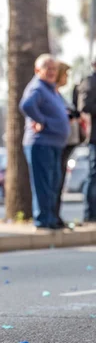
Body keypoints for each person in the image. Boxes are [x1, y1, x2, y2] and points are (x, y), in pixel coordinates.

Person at [19, 54, 70, 230]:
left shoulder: (49, 89)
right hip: (41, 143)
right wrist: (41, 121)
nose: (51, 72)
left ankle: (51, 219)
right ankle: (43, 220)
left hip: (54, 143)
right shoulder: (38, 88)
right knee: (44, 184)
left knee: (53, 183)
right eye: (47, 68)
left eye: (54, 68)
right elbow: (26, 105)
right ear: (37, 70)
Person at [55, 61, 81, 227]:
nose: (67, 78)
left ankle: (56, 216)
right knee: (56, 182)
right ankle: (53, 217)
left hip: (67, 143)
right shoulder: (52, 93)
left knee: (59, 181)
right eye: (65, 74)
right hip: (61, 143)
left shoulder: (58, 94)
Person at [78, 60, 96, 222]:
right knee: (93, 175)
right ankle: (90, 214)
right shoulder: (90, 81)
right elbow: (85, 106)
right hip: (95, 138)